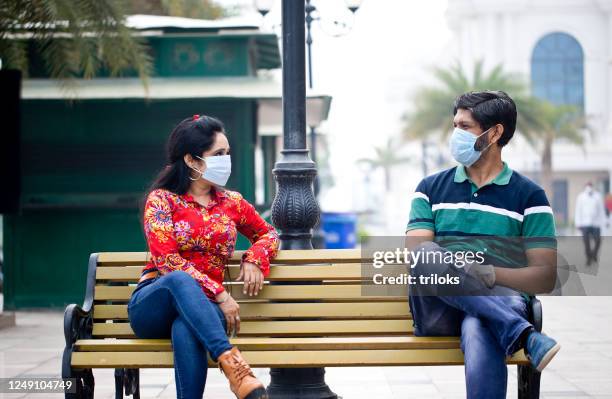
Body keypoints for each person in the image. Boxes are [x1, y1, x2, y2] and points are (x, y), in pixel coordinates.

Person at [405, 91, 560, 399]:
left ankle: (510, 326)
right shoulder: (430, 189)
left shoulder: (530, 196)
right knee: (424, 253)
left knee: (480, 324)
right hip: (438, 308)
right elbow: (417, 256)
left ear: (495, 133)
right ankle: (524, 334)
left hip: (501, 300)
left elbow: (544, 275)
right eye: (455, 125)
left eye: (465, 127)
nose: (455, 135)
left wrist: (490, 273)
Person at [128, 114, 279, 399]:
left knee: (186, 327)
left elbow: (269, 233)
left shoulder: (231, 203)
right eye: (218, 154)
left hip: (204, 313)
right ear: (192, 160)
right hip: (154, 305)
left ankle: (231, 373)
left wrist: (255, 257)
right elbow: (167, 261)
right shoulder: (162, 200)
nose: (226, 160)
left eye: (228, 153)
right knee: (178, 279)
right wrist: (221, 294)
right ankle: (236, 368)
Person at [575, 182, 606, 265]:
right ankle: (588, 258)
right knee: (586, 242)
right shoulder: (581, 197)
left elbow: (601, 210)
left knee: (598, 240)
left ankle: (594, 254)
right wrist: (578, 223)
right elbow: (578, 210)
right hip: (585, 223)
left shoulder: (598, 196)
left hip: (596, 223)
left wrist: (603, 221)